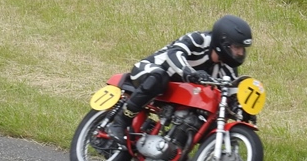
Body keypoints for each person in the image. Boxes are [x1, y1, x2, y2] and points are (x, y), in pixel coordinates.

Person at [106, 15, 253, 142]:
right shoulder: (199, 39)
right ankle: (119, 122)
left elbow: (232, 91)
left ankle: (176, 149)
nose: (240, 53)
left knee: (206, 115)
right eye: (237, 47)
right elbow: (174, 53)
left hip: (176, 91)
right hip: (149, 71)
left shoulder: (227, 68)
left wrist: (242, 109)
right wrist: (189, 72)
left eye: (242, 49)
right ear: (223, 42)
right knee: (159, 77)